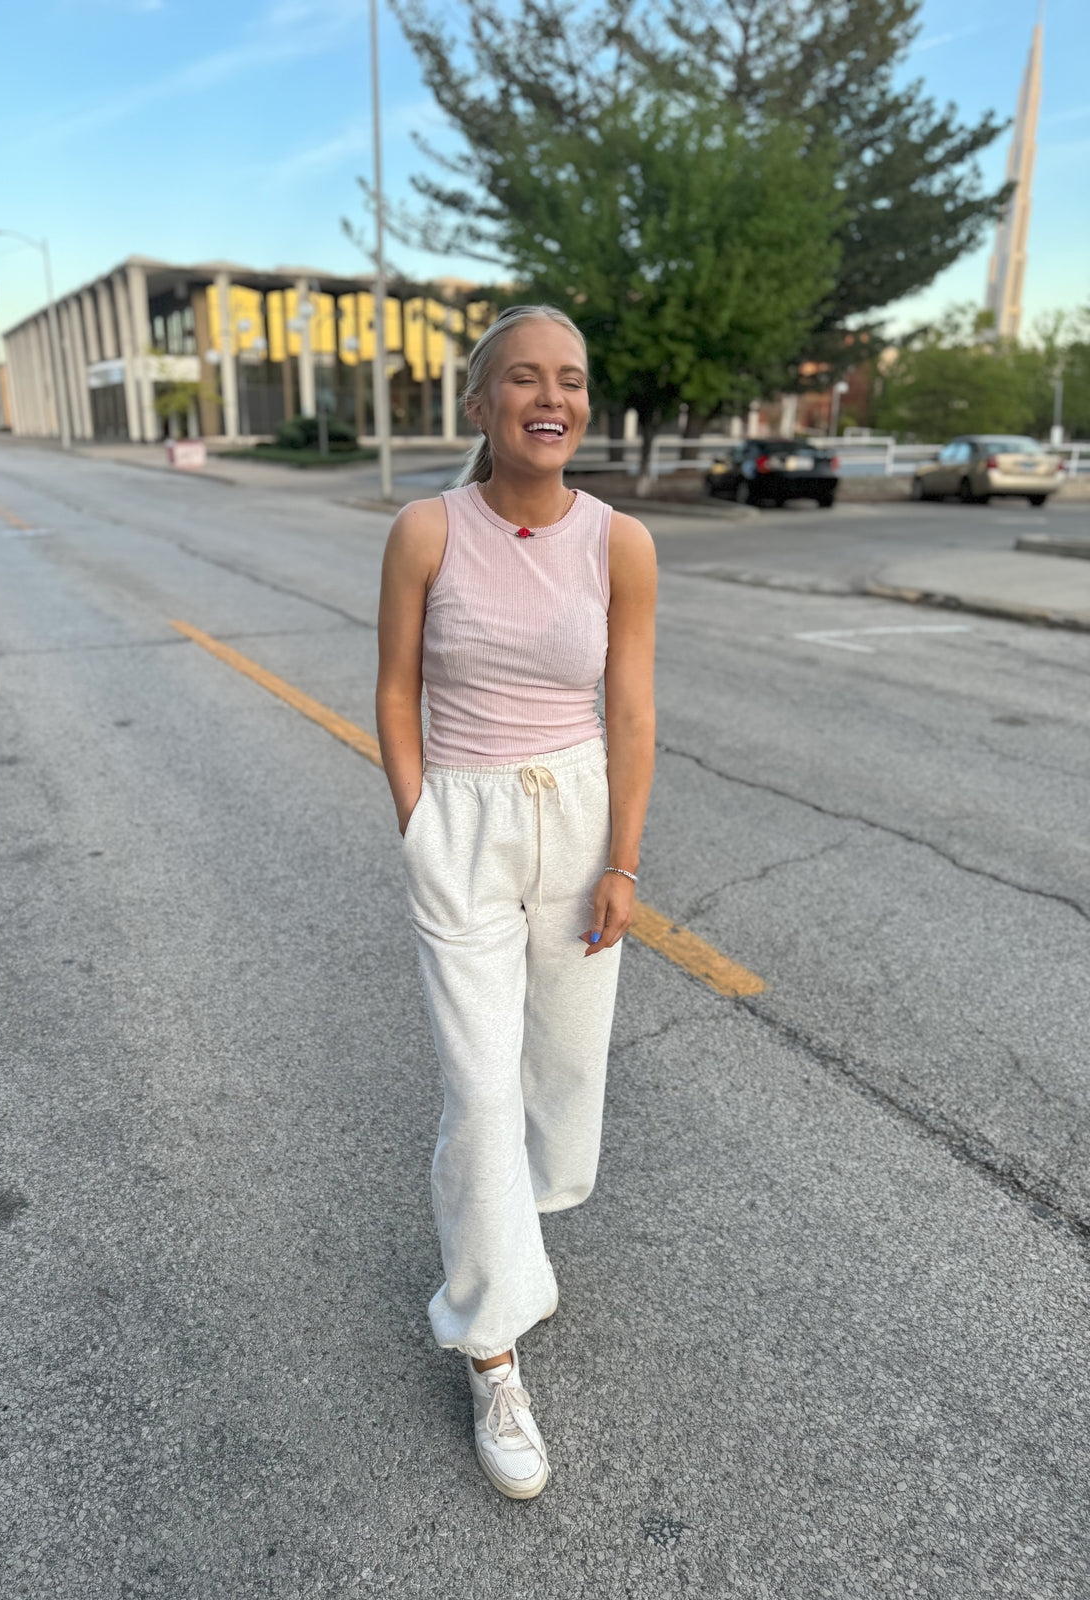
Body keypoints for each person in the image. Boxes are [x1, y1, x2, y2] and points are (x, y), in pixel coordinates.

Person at [375, 304, 657, 1499]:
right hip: (468, 825)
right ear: (482, 403)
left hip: (582, 820)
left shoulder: (621, 542)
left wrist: (624, 859)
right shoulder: (425, 530)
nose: (554, 398)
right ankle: (490, 1345)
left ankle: (505, 1239)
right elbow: (393, 689)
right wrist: (420, 819)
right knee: (482, 1093)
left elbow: (632, 707)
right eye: (526, 380)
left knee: (560, 1084)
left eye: (574, 380)